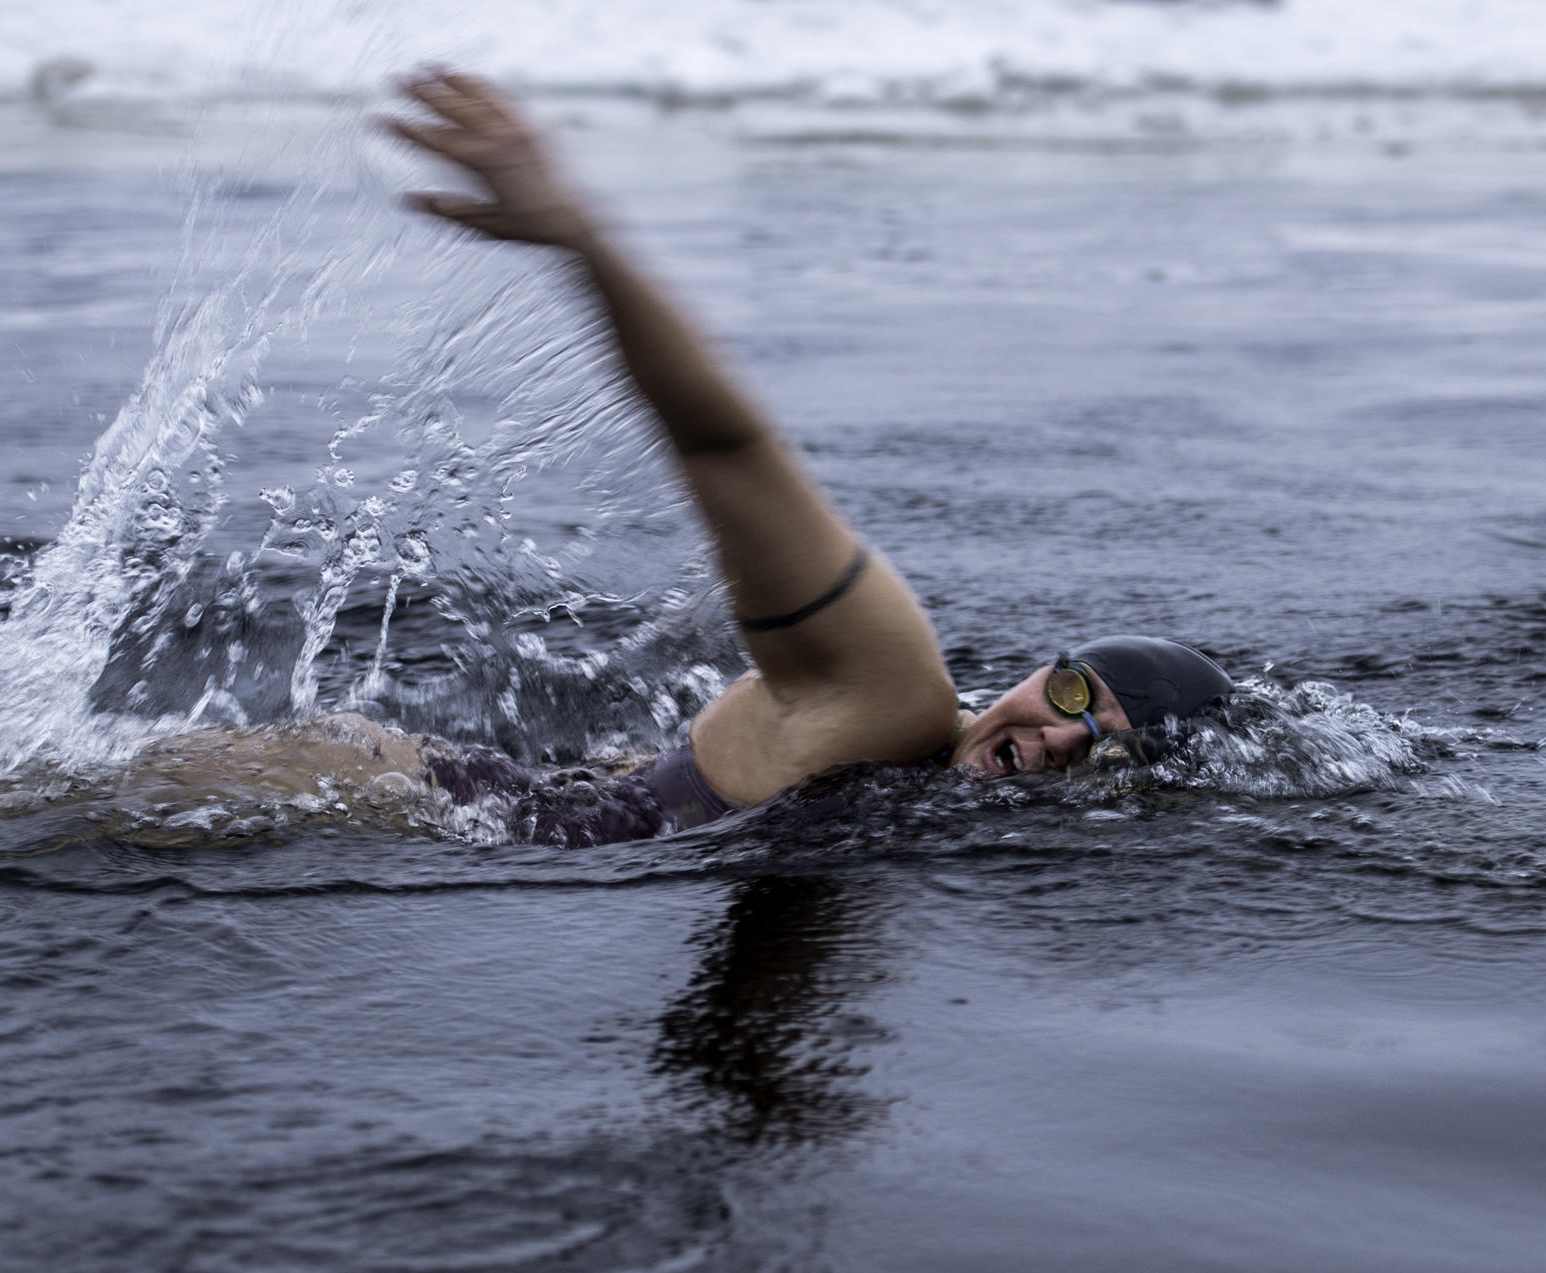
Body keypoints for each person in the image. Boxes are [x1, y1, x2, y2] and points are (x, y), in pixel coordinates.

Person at [245, 70, 1233, 846]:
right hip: (354, 794)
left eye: (1105, 745)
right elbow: (728, 447)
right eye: (1070, 696)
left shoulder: (911, 776)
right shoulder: (893, 693)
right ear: (1038, 672)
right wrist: (582, 238)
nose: (1062, 736)